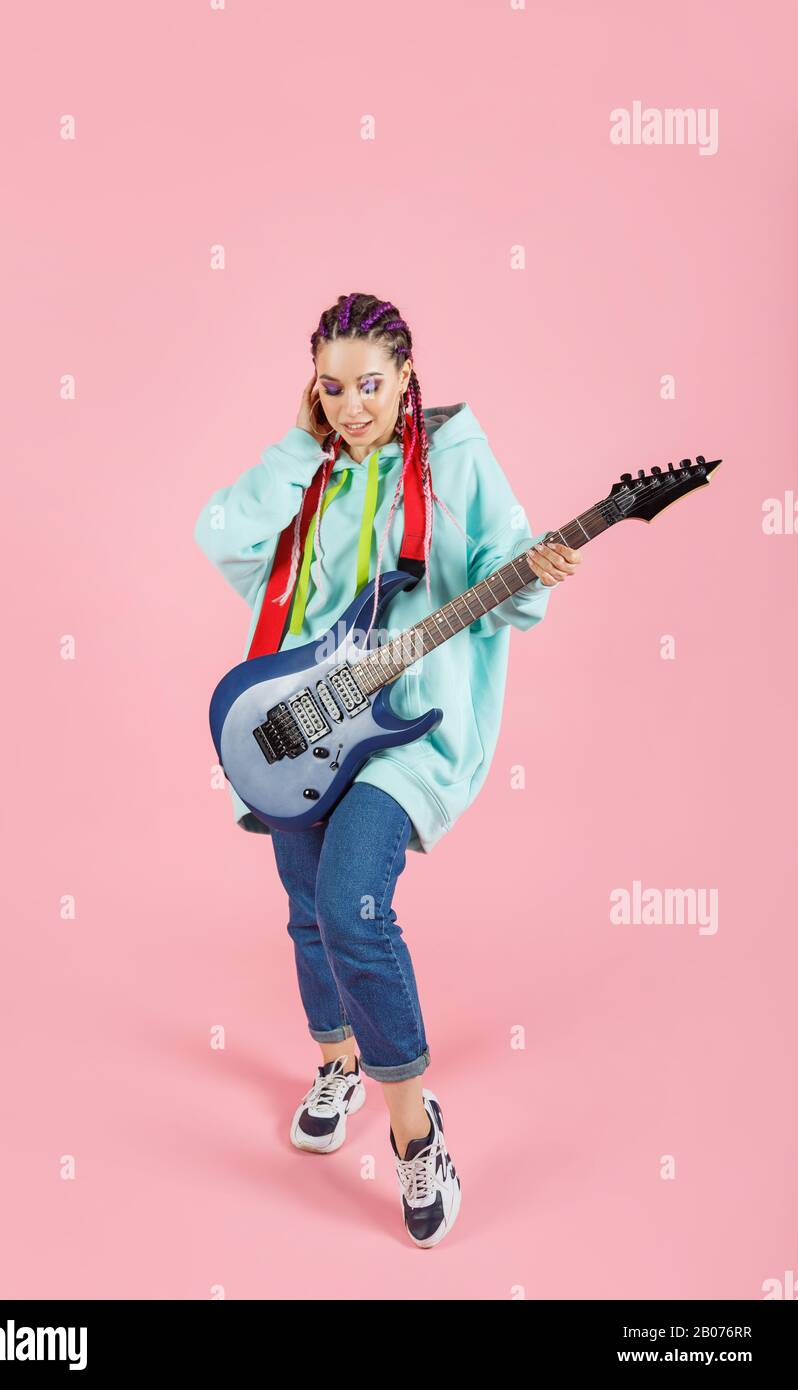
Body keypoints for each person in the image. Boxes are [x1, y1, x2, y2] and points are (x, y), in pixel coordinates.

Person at [194, 292, 581, 1248]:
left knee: (351, 906)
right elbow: (223, 539)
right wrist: (293, 452)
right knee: (302, 904)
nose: (353, 405)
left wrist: (532, 572)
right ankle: (337, 1063)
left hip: (407, 734)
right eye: (332, 388)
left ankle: (415, 1128)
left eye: (371, 384)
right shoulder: (311, 477)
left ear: (408, 376)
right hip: (302, 724)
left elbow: (501, 580)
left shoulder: (454, 461)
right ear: (311, 391)